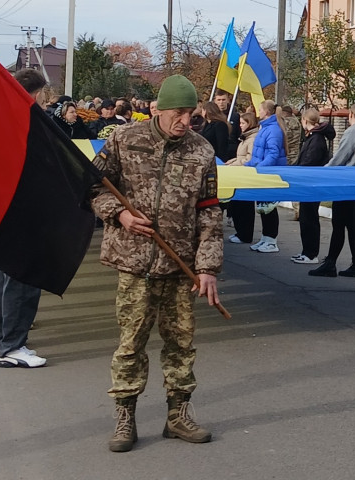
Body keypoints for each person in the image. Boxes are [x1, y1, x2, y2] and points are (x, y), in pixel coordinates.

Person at [91, 75, 223, 453]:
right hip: (135, 263)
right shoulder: (123, 139)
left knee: (181, 344)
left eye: (191, 113)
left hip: (180, 265)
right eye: (178, 113)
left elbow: (210, 213)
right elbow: (92, 186)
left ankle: (178, 415)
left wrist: (207, 267)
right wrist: (120, 215)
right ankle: (125, 417)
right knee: (130, 345)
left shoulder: (202, 152)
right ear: (158, 110)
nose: (185, 121)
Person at [0, 68, 50, 368]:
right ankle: (10, 345)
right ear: (36, 93)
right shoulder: (25, 120)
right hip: (21, 207)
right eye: (45, 95)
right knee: (21, 276)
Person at [309, 102, 355, 278]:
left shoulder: (353, 132)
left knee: (339, 224)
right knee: (351, 225)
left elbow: (341, 157)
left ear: (350, 115)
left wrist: (323, 173)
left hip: (345, 184)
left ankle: (331, 263)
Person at [290, 109, 335, 264]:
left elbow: (310, 161)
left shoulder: (316, 139)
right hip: (307, 184)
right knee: (305, 217)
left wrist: (297, 170)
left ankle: (311, 253)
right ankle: (305, 251)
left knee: (310, 219)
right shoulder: (313, 137)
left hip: (312, 185)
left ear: (304, 120)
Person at [245, 100, 287, 253]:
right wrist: (249, 165)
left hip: (269, 173)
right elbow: (259, 152)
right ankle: (265, 237)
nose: (258, 111)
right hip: (262, 172)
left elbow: (273, 153)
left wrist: (260, 168)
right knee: (263, 207)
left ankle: (271, 240)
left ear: (266, 111)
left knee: (269, 208)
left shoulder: (273, 129)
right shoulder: (265, 127)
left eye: (260, 109)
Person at [224, 110, 260, 244]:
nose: (240, 126)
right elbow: (241, 157)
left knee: (244, 207)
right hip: (238, 172)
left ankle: (245, 234)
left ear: (249, 123)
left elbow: (249, 159)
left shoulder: (252, 139)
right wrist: (232, 161)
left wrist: (235, 163)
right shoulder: (245, 138)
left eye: (243, 123)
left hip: (244, 174)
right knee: (237, 205)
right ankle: (240, 232)